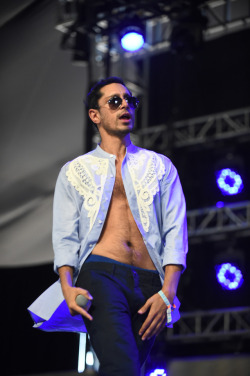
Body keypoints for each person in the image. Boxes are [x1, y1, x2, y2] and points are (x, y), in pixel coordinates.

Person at [28, 76, 188, 376]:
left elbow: (175, 230)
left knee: (130, 369)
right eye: (115, 101)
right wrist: (67, 286)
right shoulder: (75, 171)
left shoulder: (160, 166)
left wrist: (168, 291)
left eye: (130, 100)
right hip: (102, 276)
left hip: (151, 284)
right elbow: (65, 236)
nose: (125, 104)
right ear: (95, 115)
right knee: (121, 367)